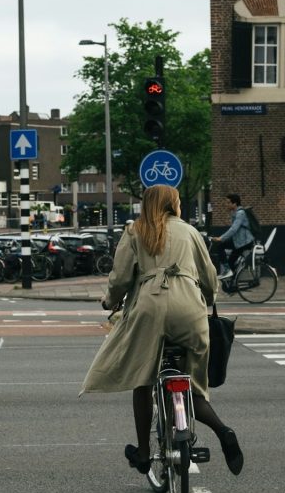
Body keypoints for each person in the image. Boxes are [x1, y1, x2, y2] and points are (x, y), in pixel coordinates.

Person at [80, 185, 244, 476]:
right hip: (188, 309)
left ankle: (144, 455)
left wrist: (110, 301)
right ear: (174, 204)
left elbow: (119, 279)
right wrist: (206, 298)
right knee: (193, 385)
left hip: (149, 309)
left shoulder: (135, 231)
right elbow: (209, 278)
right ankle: (223, 430)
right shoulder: (190, 232)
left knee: (142, 380)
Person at [210, 193, 254, 280]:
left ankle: (227, 272)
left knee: (220, 246)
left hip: (243, 242)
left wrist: (221, 238)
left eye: (228, 203)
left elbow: (234, 229)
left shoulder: (240, 213)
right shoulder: (236, 213)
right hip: (240, 241)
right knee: (230, 262)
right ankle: (232, 284)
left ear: (234, 204)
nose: (226, 205)